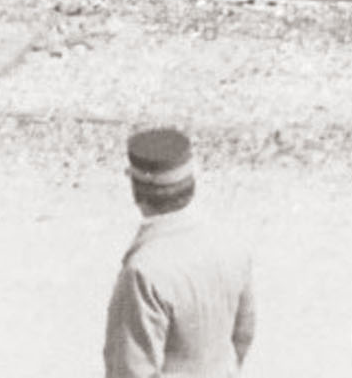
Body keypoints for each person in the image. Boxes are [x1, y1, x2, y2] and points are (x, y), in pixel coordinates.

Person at [105, 125, 253, 378]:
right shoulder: (230, 244)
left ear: (137, 192)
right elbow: (243, 334)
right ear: (190, 185)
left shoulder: (144, 271)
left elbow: (132, 369)